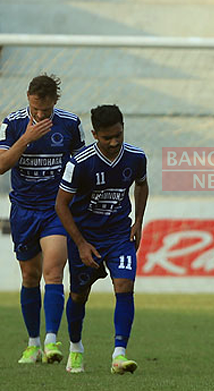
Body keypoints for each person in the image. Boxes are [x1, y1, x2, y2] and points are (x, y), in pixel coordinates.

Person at [55, 105, 149, 374]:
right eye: (107, 137)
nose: (114, 142)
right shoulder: (79, 163)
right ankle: (75, 348)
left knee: (124, 284)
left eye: (118, 134)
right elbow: (61, 205)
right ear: (95, 134)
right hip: (85, 238)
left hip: (119, 234)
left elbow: (142, 184)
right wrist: (81, 243)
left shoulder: (135, 157)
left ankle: (119, 354)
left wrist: (139, 221)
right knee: (78, 295)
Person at [0, 74, 85, 364]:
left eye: (45, 111)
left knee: (53, 272)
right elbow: (1, 165)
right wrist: (27, 138)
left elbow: (80, 168)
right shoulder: (12, 124)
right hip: (23, 210)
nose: (40, 114)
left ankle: (51, 341)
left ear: (55, 102)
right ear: (28, 98)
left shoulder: (70, 124)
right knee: (29, 276)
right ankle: (33, 343)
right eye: (35, 108)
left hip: (55, 210)